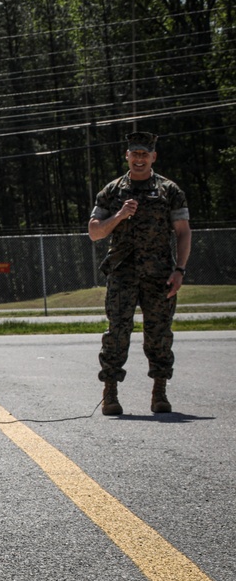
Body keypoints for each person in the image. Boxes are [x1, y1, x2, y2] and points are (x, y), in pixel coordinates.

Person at [89, 131, 191, 415]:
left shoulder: (170, 191)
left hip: (160, 275)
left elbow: (183, 233)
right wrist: (119, 215)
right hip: (122, 275)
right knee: (117, 333)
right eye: (135, 153)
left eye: (145, 154)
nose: (139, 159)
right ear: (127, 156)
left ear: (153, 157)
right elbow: (95, 232)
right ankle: (110, 392)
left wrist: (180, 269)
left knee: (159, 334)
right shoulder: (111, 192)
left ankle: (159, 392)